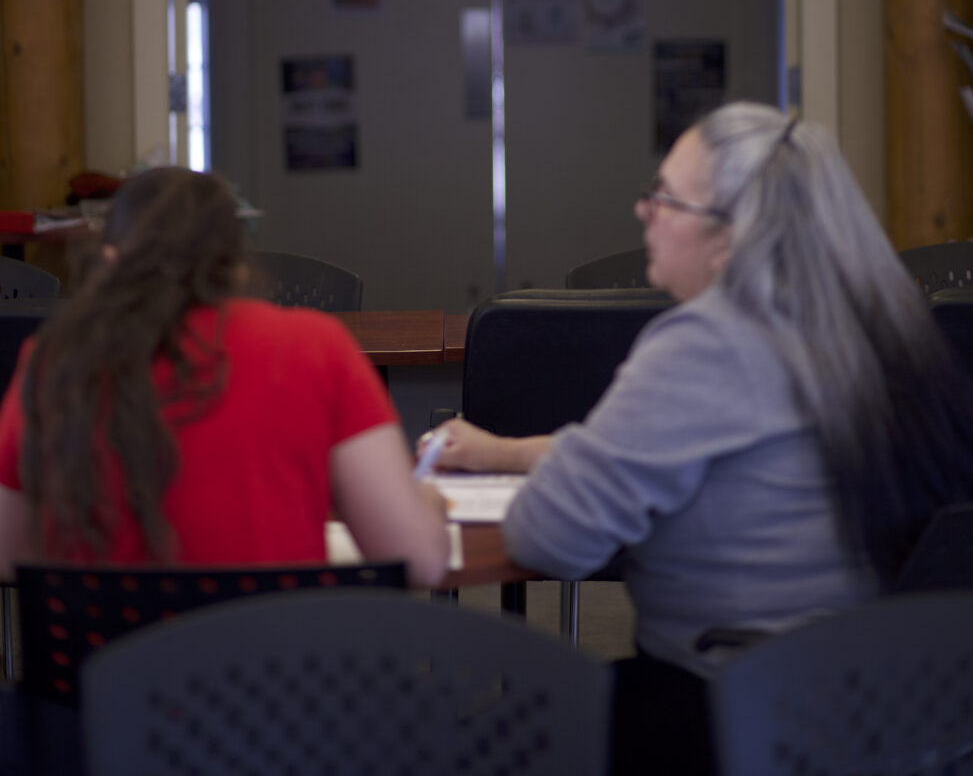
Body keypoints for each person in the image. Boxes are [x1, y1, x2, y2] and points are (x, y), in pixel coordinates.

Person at [431, 102, 973, 775]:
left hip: (736, 708)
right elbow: (646, 453)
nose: (643, 211)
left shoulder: (709, 344)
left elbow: (552, 539)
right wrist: (504, 453)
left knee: (472, 743)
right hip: (882, 704)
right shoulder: (877, 325)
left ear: (729, 237)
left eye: (664, 197)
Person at [0, 166, 448, 586]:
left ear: (112, 260)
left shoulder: (51, 364)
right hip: (276, 664)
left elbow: (8, 553)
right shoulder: (315, 347)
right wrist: (425, 505)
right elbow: (422, 561)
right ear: (234, 264)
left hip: (97, 665)